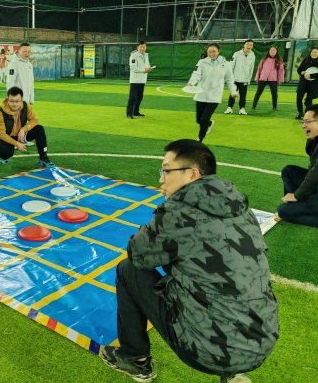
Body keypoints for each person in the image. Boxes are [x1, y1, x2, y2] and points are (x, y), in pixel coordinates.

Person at [100, 139, 278, 383]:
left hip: (209, 351)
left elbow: (138, 254)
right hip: (264, 338)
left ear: (192, 174)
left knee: (128, 270)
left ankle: (135, 359)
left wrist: (166, 212)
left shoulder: (179, 213)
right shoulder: (241, 209)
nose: (161, 179)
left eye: (166, 171)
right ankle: (233, 370)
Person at [278, 104, 318, 229]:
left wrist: (297, 195)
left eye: (307, 122)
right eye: (303, 122)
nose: (303, 126)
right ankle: (301, 206)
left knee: (283, 211)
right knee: (289, 171)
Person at [185, 43, 237, 142]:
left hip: (215, 96)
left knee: (204, 119)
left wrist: (233, 91)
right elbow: (196, 74)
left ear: (218, 52)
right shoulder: (202, 62)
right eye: (209, 51)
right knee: (199, 120)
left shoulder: (226, 64)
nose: (211, 53)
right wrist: (191, 83)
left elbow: (230, 79)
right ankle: (209, 124)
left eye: (214, 51)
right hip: (201, 93)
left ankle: (200, 139)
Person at [0, 86, 54, 167]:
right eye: (11, 101)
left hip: (20, 134)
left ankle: (43, 157)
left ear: (21, 100)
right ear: (7, 99)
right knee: (5, 154)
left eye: (17, 101)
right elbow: (1, 134)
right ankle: (3, 156)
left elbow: (34, 120)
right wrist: (17, 144)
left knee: (39, 129)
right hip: (7, 136)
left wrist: (23, 129)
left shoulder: (25, 106)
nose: (14, 104)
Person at [223, 39, 255, 115]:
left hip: (245, 80)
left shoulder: (252, 55)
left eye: (251, 45)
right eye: (247, 44)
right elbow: (231, 65)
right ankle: (229, 108)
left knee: (243, 95)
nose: (249, 46)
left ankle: (242, 109)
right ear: (244, 45)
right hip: (235, 78)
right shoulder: (237, 54)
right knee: (232, 94)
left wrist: (248, 79)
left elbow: (251, 68)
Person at [295, 47, 318, 120]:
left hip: (314, 84)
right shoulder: (306, 60)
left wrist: (311, 75)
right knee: (299, 97)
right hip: (303, 81)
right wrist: (301, 72)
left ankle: (306, 114)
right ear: (310, 53)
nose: (314, 53)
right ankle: (300, 113)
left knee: (308, 100)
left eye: (316, 52)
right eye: (312, 52)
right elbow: (299, 69)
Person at [252, 46, 285, 110]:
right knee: (258, 92)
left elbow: (281, 71)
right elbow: (259, 69)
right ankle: (254, 106)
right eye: (271, 50)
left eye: (274, 50)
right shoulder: (264, 59)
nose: (272, 52)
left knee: (274, 93)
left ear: (276, 52)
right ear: (269, 51)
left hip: (273, 80)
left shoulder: (279, 61)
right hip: (262, 79)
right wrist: (257, 78)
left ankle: (274, 107)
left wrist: (280, 80)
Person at [127, 41, 153, 119]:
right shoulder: (133, 56)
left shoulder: (146, 55)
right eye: (141, 47)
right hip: (135, 80)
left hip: (143, 80)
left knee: (139, 97)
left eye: (144, 47)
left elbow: (147, 65)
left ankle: (136, 112)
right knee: (132, 98)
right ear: (137, 47)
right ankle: (129, 113)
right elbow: (133, 68)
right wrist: (144, 70)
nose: (142, 48)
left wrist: (149, 68)